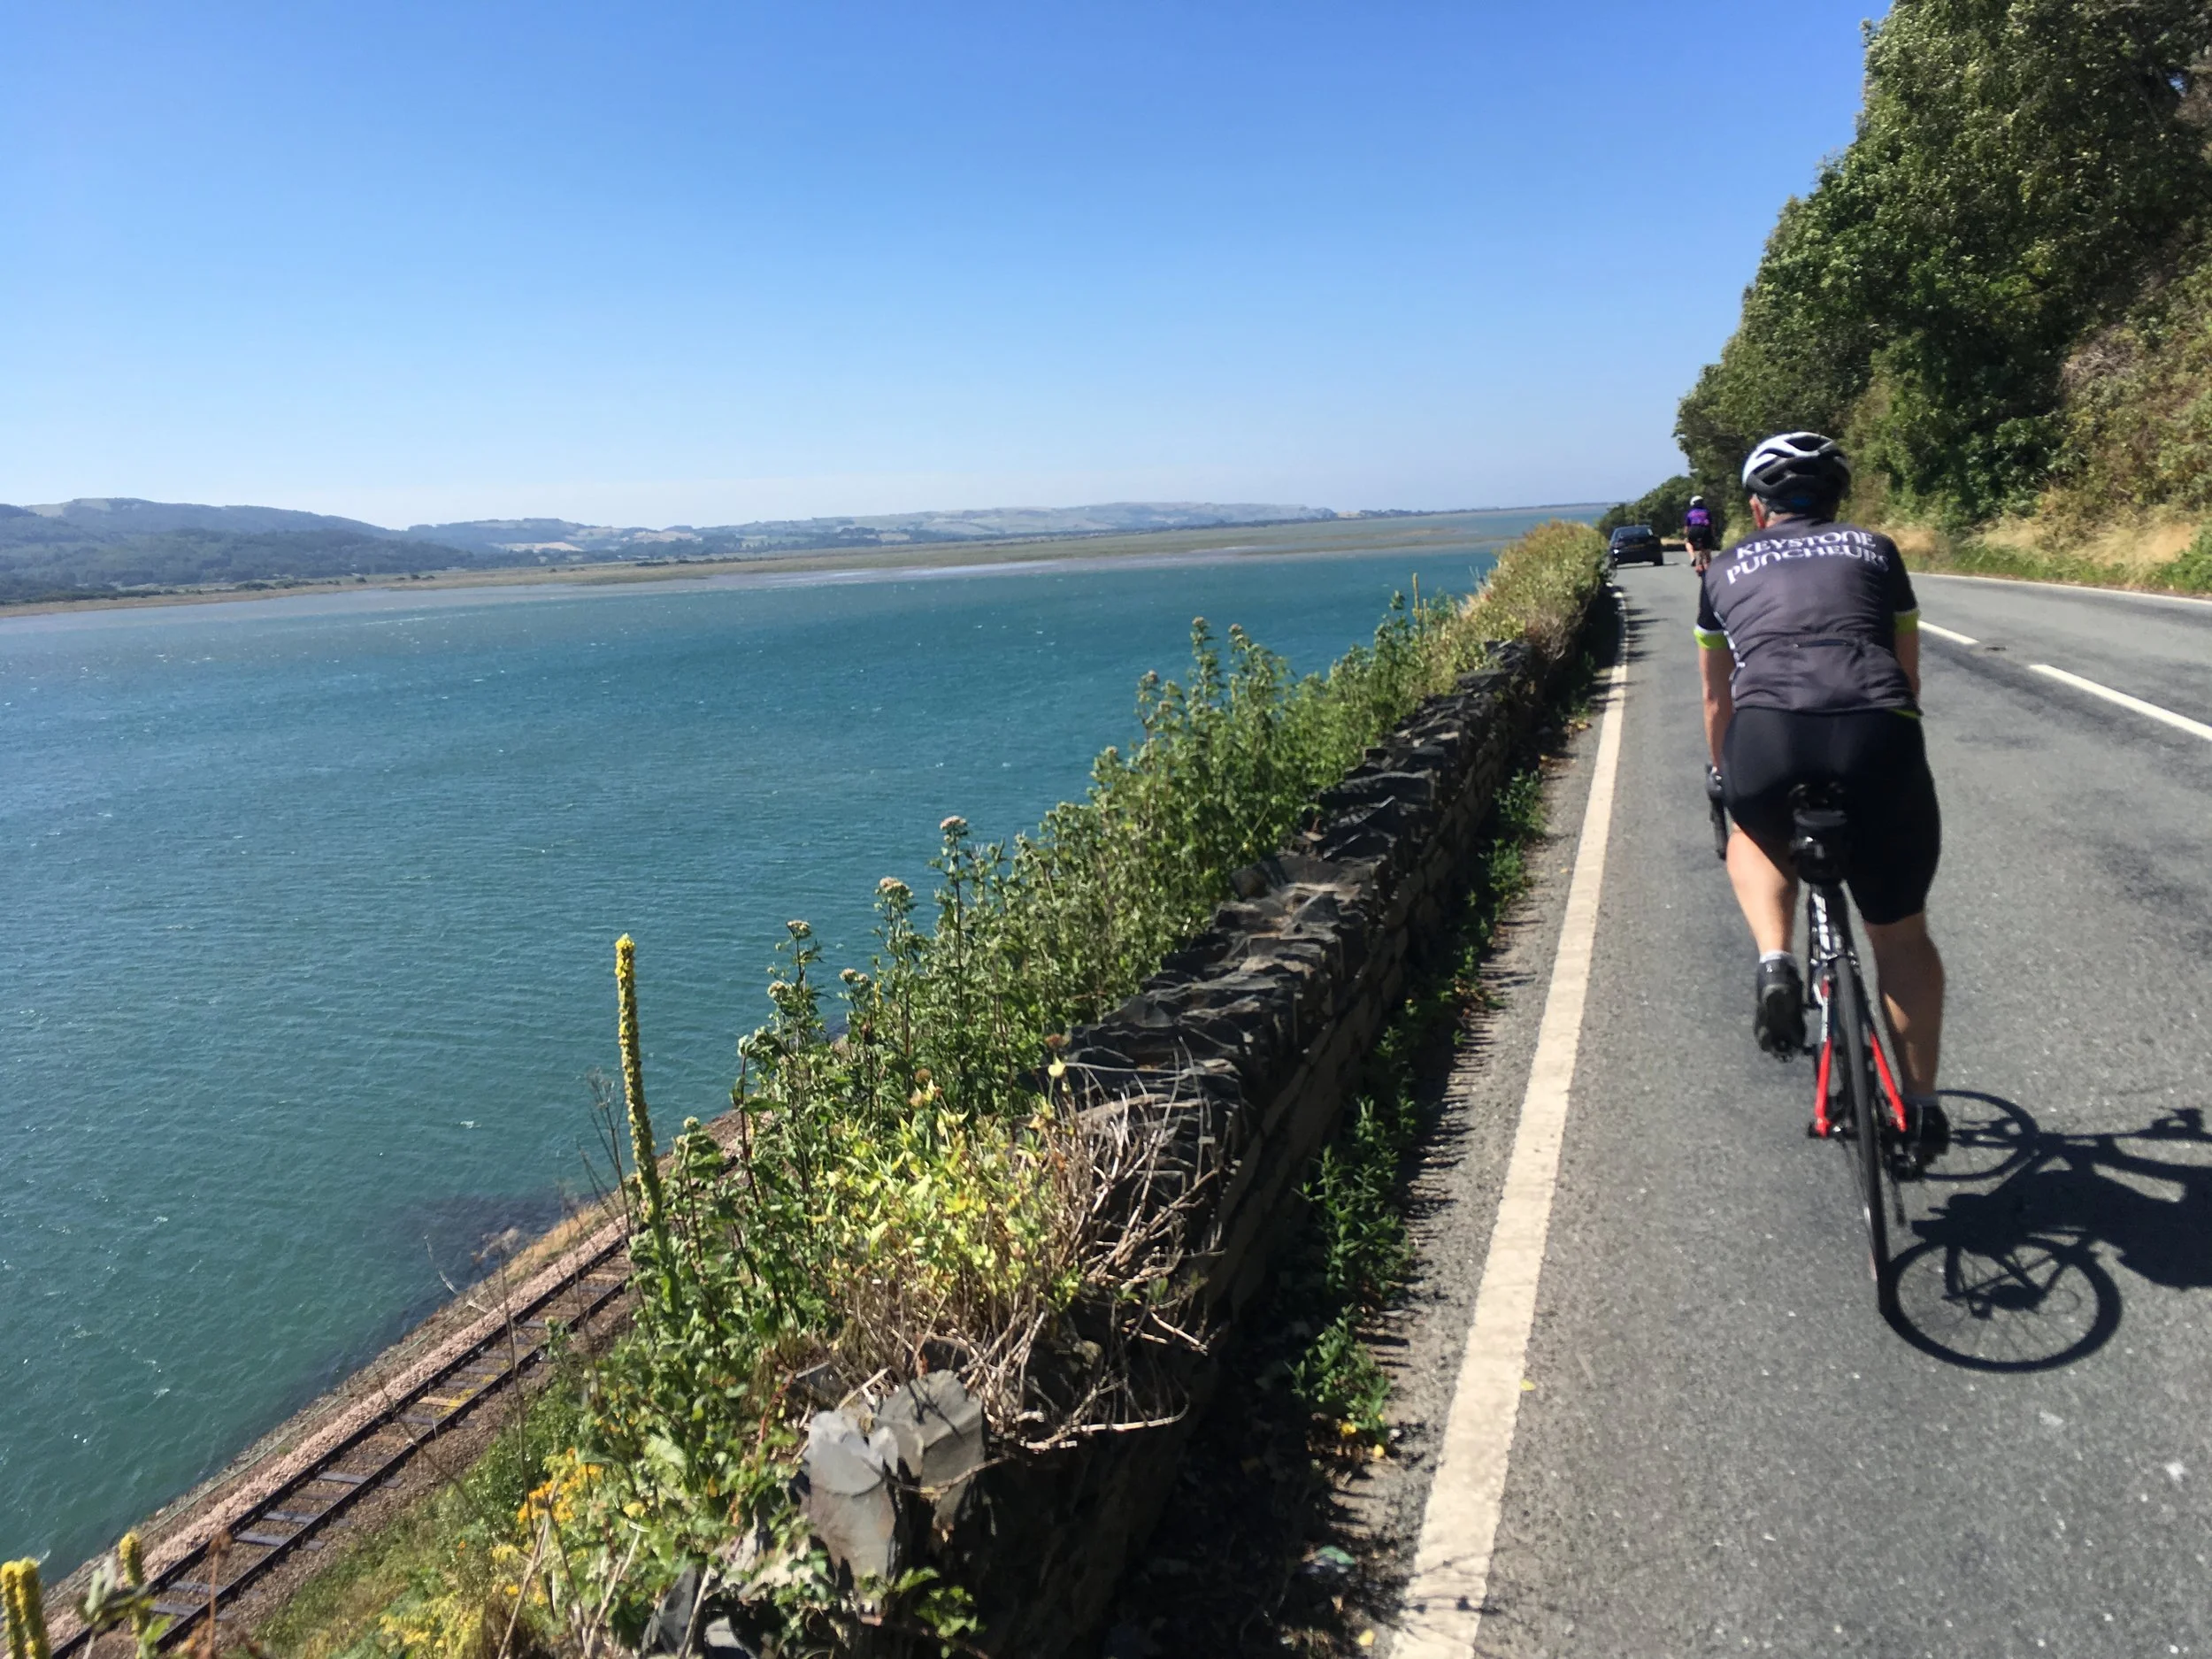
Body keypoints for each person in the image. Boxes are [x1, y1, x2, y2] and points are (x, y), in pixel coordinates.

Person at [1694, 431, 1948, 1157]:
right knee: (1900, 935)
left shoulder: (1724, 566)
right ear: (1839, 499)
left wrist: (1724, 778)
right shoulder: (1876, 550)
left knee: (1753, 832)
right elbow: (1909, 674)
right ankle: (1923, 1105)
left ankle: (1776, 957)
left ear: (1755, 507)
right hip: (1877, 730)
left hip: (1770, 735)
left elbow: (1719, 700)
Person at [1683, 495, 1718, 572]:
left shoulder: (1690, 513)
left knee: (1688, 542)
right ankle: (1710, 569)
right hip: (1706, 530)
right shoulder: (1707, 512)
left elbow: (1686, 528)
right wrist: (1713, 536)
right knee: (1707, 550)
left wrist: (1686, 535)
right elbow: (1711, 526)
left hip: (1694, 529)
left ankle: (1692, 557)